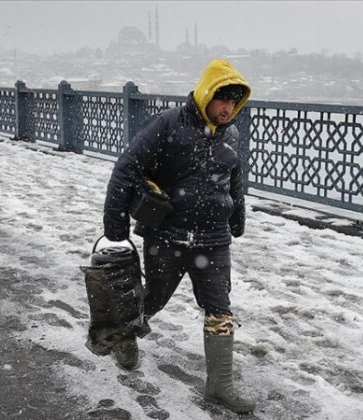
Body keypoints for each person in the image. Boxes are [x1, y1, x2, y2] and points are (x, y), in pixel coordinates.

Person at [103, 59, 254, 413]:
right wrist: (115, 225)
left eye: (234, 102)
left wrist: (237, 218)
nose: (228, 109)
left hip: (214, 240)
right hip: (168, 236)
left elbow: (234, 179)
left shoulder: (230, 133)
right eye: (222, 100)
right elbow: (126, 169)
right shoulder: (169, 125)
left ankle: (219, 384)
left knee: (220, 309)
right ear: (206, 94)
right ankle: (126, 334)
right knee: (153, 300)